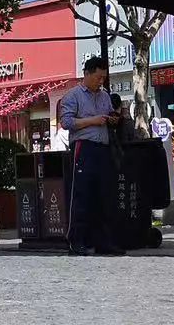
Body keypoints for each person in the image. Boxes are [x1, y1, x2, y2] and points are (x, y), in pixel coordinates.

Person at [57, 54, 126, 257]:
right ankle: (76, 240)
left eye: (103, 77)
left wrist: (112, 119)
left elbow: (108, 115)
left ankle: (103, 241)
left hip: (102, 147)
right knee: (81, 194)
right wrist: (93, 120)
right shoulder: (73, 96)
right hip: (83, 147)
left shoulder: (104, 96)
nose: (100, 81)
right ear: (86, 74)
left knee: (104, 195)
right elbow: (67, 123)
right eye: (97, 77)